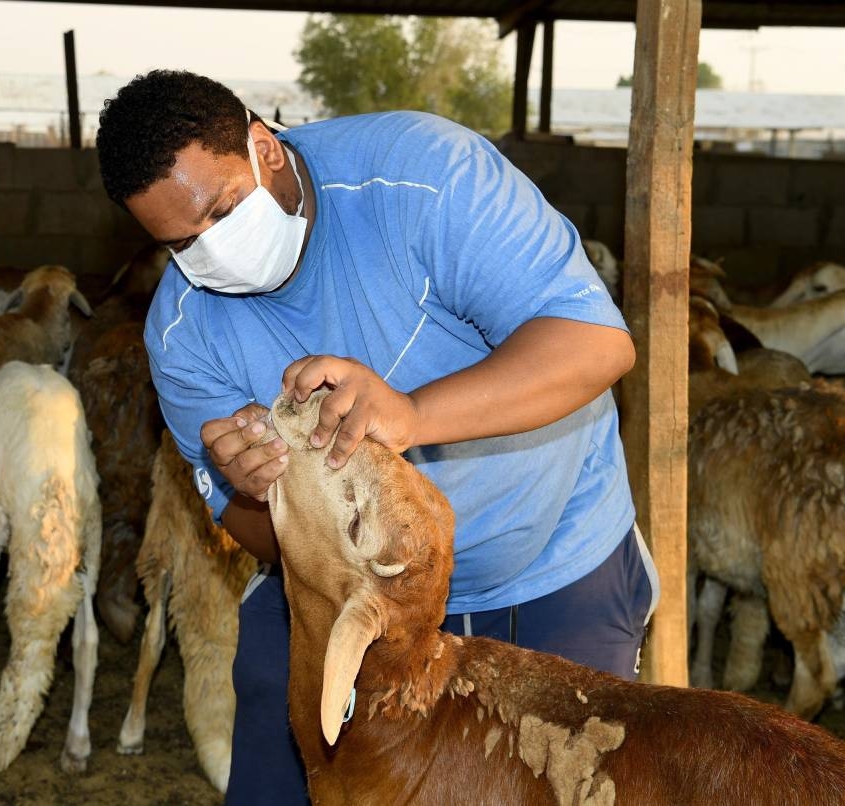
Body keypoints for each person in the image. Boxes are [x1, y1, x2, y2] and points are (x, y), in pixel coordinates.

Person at [96, 70, 658, 805]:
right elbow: (254, 535)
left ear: (265, 148)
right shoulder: (184, 334)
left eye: (224, 212)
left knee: (567, 780)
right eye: (181, 244)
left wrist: (413, 414)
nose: (213, 253)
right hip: (349, 592)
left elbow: (596, 344)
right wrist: (259, 492)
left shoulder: (421, 180)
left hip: (544, 555)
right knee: (286, 770)